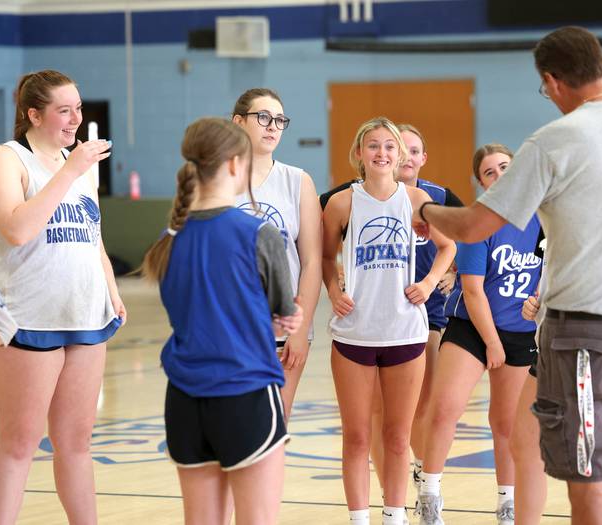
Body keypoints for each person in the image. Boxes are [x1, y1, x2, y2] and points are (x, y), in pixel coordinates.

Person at [411, 26, 602, 525]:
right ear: (601, 67)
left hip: (587, 338)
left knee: (589, 488)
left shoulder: (554, 140)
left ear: (552, 81)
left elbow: (474, 225)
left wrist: (428, 210)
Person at [141, 117, 302, 525]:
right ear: (234, 164)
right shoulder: (259, 232)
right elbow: (283, 312)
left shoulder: (166, 241)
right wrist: (288, 321)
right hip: (244, 391)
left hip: (183, 400)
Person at [0, 70, 123, 524]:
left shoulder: (79, 164)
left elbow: (94, 238)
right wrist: (70, 169)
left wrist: (111, 290)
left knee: (76, 443)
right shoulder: (8, 159)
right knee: (18, 443)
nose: (76, 118)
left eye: (78, 107)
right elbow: (17, 228)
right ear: (34, 114)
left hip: (86, 313)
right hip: (29, 317)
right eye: (63, 110)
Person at [322, 117, 455, 525]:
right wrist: (334, 290)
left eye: (389, 147)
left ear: (400, 155)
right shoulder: (342, 202)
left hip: (405, 331)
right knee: (358, 436)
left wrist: (430, 282)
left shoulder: (416, 200)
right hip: (354, 332)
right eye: (373, 145)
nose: (381, 153)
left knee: (398, 437)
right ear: (360, 153)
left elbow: (449, 245)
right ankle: (359, 519)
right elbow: (326, 257)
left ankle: (394, 516)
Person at [417, 144, 545, 525]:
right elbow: (471, 290)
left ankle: (507, 504)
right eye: (490, 172)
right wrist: (491, 343)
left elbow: (553, 272)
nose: (500, 176)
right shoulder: (479, 224)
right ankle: (429, 496)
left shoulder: (543, 218)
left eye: (505, 167)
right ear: (481, 183)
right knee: (445, 409)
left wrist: (540, 301)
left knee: (507, 424)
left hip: (520, 333)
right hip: (473, 326)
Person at [232, 88, 322, 419]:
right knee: (235, 425)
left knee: (273, 423)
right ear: (239, 122)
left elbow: (312, 262)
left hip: (285, 327)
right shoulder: (217, 178)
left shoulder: (298, 181)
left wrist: (300, 329)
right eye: (263, 118)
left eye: (279, 120)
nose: (272, 126)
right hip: (233, 326)